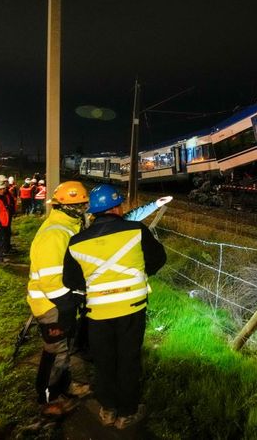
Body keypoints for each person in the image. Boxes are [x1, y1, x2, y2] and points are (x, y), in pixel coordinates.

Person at [63, 184, 166, 429]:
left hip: (98, 311)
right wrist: (140, 273)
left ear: (93, 212)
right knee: (129, 359)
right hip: (132, 307)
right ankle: (127, 413)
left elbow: (71, 281)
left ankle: (108, 408)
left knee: (104, 359)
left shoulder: (76, 242)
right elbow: (158, 259)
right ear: (117, 207)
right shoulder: (136, 230)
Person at [27, 181, 92, 417]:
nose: (84, 208)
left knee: (64, 348)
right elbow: (50, 279)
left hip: (60, 301)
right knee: (56, 352)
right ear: (67, 207)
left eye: (84, 203)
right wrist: (67, 305)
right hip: (51, 304)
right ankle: (48, 399)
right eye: (80, 205)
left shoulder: (68, 226)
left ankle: (65, 387)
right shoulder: (56, 233)